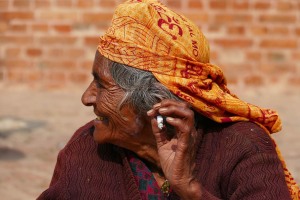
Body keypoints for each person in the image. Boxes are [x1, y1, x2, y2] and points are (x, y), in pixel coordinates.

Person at [37, 0, 299, 199]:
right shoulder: (86, 149)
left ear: (153, 101)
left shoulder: (242, 148)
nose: (86, 97)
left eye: (102, 84)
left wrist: (190, 190)